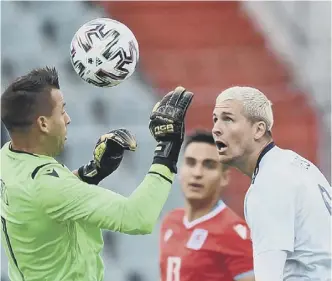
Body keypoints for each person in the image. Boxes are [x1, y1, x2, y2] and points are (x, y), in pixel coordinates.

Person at [0, 66, 194, 281]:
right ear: (43, 123)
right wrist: (167, 148)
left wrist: (92, 172)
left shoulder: (7, 159)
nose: (68, 119)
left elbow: (44, 200)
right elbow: (137, 217)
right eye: (62, 111)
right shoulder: (48, 185)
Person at [212, 86, 331, 281]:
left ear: (258, 129)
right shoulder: (296, 164)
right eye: (215, 119)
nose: (216, 128)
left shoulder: (267, 185)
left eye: (228, 119)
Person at [159, 130, 255, 281]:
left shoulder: (235, 234)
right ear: (179, 171)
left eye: (208, 165)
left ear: (224, 177)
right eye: (191, 163)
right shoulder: (170, 222)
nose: (197, 173)